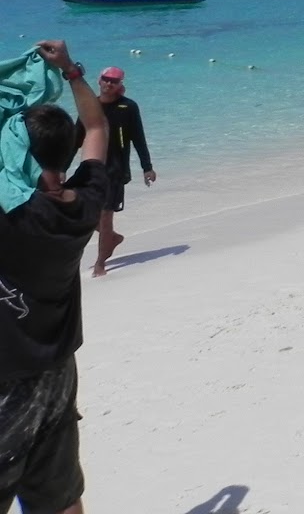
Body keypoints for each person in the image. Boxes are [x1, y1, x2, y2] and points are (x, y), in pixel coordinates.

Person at [0, 39, 110, 514]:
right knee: (60, 496)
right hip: (58, 376)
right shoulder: (83, 204)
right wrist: (70, 71)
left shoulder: (12, 215)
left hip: (7, 385)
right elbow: (96, 125)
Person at [89, 67, 155, 278]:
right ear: (99, 81)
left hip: (116, 170)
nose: (109, 84)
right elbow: (76, 134)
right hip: (90, 168)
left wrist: (147, 167)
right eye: (106, 80)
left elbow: (138, 138)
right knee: (79, 214)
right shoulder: (91, 105)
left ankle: (100, 263)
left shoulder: (128, 107)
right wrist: (61, 167)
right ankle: (112, 238)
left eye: (114, 81)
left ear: (120, 85)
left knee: (105, 215)